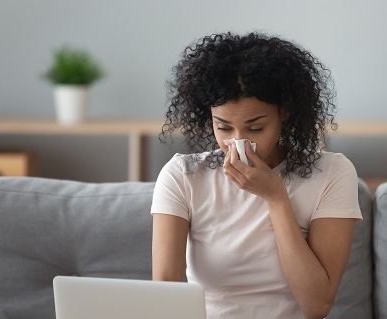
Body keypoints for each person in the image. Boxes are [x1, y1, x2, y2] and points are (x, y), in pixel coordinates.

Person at [150, 32, 362, 319]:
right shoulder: (183, 176)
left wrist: (276, 197)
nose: (238, 143)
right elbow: (165, 297)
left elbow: (317, 305)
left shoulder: (332, 173)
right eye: (223, 128)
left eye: (256, 128)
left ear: (284, 113)